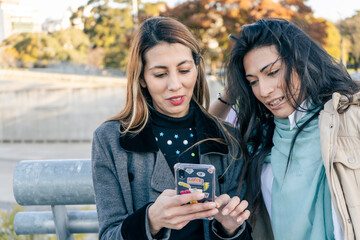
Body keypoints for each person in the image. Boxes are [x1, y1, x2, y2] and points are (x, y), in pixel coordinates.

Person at [91, 17, 252, 240]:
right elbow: (108, 235)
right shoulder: (110, 140)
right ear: (142, 78)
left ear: (197, 68)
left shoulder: (229, 139)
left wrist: (231, 229)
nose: (175, 85)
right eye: (160, 74)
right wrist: (150, 221)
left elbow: (244, 232)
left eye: (184, 70)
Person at [209, 18, 360, 239]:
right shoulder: (259, 138)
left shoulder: (348, 118)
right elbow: (204, 134)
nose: (264, 90)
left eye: (272, 72)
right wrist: (232, 91)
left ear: (301, 61)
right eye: (253, 81)